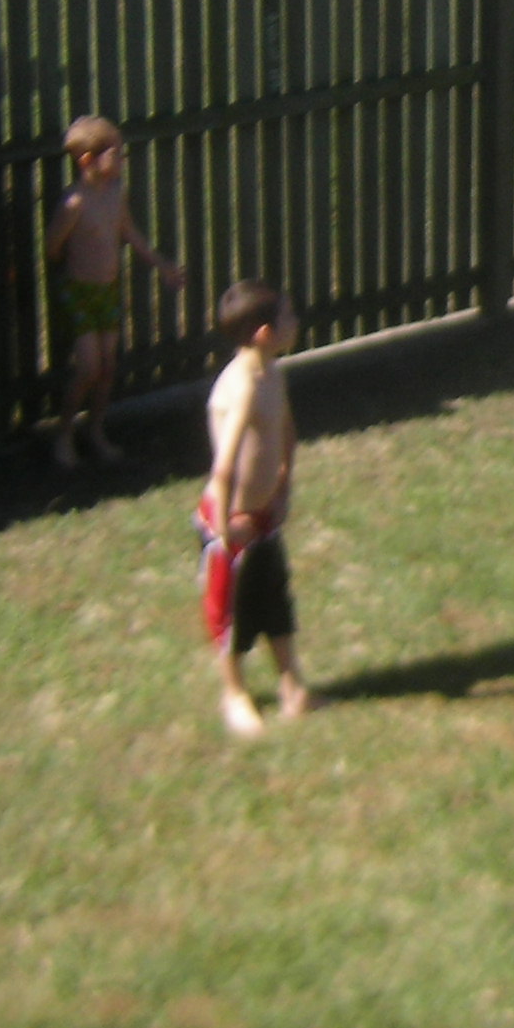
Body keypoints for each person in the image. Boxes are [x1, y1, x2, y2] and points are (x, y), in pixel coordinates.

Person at [198, 279, 312, 738]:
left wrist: (283, 486)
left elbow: (286, 430)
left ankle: (293, 687)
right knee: (231, 613)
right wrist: (225, 529)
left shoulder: (273, 371)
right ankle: (235, 694)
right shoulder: (242, 386)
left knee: (275, 601)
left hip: (264, 518)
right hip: (232, 524)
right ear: (265, 332)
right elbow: (223, 466)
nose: (296, 322)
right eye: (288, 316)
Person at [44, 116, 184, 470]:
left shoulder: (114, 196)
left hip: (108, 291)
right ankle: (63, 434)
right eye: (115, 154)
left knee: (107, 366)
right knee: (89, 366)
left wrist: (162, 264)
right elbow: (52, 247)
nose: (122, 161)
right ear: (88, 160)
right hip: (80, 293)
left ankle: (96, 431)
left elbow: (131, 234)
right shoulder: (74, 204)